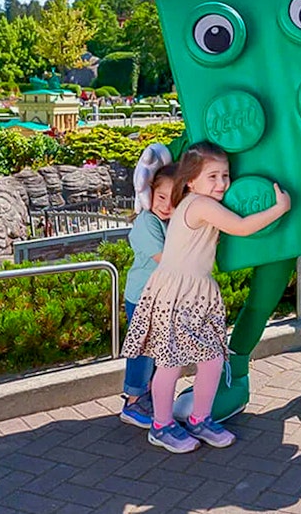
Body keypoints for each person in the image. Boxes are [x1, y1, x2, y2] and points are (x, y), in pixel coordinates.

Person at [121, 142, 291, 453]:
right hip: (178, 293)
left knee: (212, 360)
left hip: (196, 292)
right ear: (190, 180)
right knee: (170, 363)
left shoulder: (195, 201)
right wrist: (279, 208)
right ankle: (160, 425)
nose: (222, 183)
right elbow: (240, 227)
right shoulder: (199, 205)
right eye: (212, 176)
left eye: (225, 175)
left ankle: (200, 418)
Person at [119, 164, 176, 429]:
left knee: (156, 350)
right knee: (142, 352)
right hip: (143, 298)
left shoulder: (167, 222)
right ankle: (132, 401)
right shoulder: (146, 222)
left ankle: (149, 396)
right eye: (161, 196)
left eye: (174, 200)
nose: (165, 205)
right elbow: (165, 260)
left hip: (162, 299)